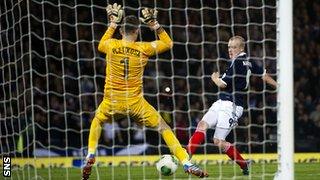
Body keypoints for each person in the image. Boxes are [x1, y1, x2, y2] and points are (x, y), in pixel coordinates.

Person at [82, 3, 208, 179]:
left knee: (97, 120)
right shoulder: (143, 48)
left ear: (121, 31)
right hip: (136, 103)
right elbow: (168, 43)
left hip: (112, 101)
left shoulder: (110, 45)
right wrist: (154, 24)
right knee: (164, 128)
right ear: (137, 32)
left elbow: (100, 45)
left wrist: (112, 23)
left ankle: (91, 154)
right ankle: (186, 162)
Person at [187, 36, 277, 175]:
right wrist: (278, 86)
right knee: (202, 125)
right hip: (221, 102)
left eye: (234, 47)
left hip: (232, 106)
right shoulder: (249, 61)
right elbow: (264, 75)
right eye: (229, 47)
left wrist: (215, 78)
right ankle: (186, 160)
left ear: (241, 48)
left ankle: (244, 164)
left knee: (218, 141)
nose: (230, 50)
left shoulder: (238, 63)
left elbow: (222, 85)